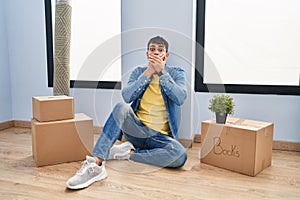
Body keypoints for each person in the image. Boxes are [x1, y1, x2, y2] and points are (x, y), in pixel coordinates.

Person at [66, 36, 188, 190]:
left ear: (166, 55)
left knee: (180, 155)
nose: (156, 53)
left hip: (160, 138)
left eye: (160, 50)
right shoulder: (138, 72)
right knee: (121, 106)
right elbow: (127, 96)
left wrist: (162, 72)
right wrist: (148, 73)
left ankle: (128, 153)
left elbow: (180, 97)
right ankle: (96, 164)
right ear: (147, 54)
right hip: (137, 130)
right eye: (152, 49)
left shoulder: (177, 73)